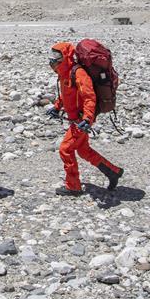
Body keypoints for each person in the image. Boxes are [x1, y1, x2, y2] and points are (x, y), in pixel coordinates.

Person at [46, 42, 123, 196]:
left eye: (56, 56)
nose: (52, 59)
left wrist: (87, 119)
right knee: (83, 150)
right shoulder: (64, 73)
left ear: (65, 56)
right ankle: (113, 172)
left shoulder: (78, 73)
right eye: (52, 55)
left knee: (66, 149)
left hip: (82, 120)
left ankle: (73, 186)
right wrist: (57, 107)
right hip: (77, 119)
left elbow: (89, 97)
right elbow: (66, 94)